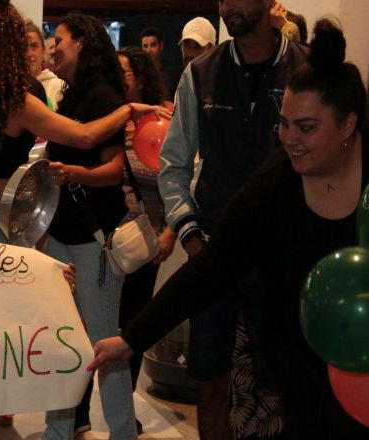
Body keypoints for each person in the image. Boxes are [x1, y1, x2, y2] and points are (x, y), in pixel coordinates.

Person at [90, 18, 369, 440]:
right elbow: (213, 268)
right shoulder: (276, 180)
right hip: (296, 360)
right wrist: (131, 338)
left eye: (306, 127)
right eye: (284, 122)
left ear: (348, 125)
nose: (289, 138)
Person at [0, 1, 169, 438]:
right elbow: (82, 136)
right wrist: (129, 111)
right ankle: (43, 428)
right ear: (10, 47)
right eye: (31, 43)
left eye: (56, 41)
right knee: (27, 334)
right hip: (10, 217)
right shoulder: (21, 97)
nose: (46, 48)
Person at [156, 0, 307, 437]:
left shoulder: (304, 68)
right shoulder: (200, 73)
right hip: (216, 254)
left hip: (285, 259)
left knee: (286, 383)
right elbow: (173, 164)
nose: (229, 4)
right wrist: (189, 235)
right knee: (209, 382)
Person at [41, 13, 138, 440]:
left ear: (81, 42)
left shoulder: (100, 96)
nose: (52, 46)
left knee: (105, 345)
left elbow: (114, 170)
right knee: (64, 341)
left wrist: (73, 172)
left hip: (93, 242)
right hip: (65, 238)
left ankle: (121, 433)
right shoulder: (72, 95)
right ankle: (57, 432)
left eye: (59, 39)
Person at [115, 45, 176, 435]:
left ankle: (124, 406)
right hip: (109, 240)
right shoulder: (110, 117)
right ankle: (84, 409)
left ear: (141, 76)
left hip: (148, 240)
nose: (120, 78)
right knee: (101, 325)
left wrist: (170, 231)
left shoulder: (164, 118)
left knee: (135, 326)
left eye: (125, 72)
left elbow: (180, 179)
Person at [25, 20, 63, 111]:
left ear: (43, 50)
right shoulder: (12, 87)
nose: (29, 54)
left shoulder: (59, 86)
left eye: (34, 46)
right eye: (23, 47)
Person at [140, 26, 179, 99]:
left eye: (153, 45)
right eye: (145, 46)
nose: (149, 50)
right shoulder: (139, 74)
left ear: (161, 46)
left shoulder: (171, 74)